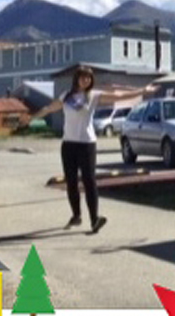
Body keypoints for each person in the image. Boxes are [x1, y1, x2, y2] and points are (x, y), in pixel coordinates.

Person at [57, 66, 136, 234]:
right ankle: (76, 215)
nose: (86, 80)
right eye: (83, 77)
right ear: (76, 78)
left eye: (89, 78)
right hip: (68, 144)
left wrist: (142, 91)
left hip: (87, 144)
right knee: (71, 181)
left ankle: (94, 219)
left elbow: (118, 96)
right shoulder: (66, 96)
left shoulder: (93, 96)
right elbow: (50, 108)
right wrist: (32, 117)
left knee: (89, 181)